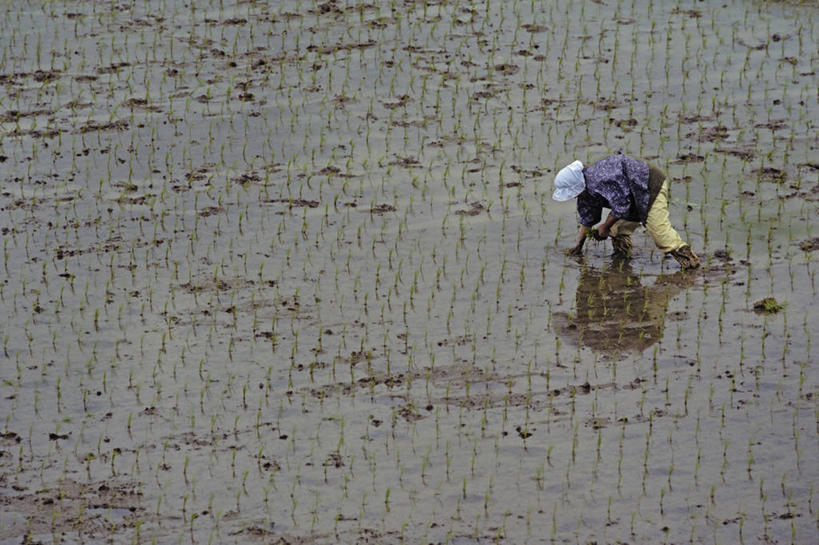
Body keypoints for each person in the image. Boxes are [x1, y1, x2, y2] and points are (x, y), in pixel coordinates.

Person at [552, 152, 700, 269]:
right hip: (631, 193)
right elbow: (588, 219)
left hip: (648, 185)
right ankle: (622, 262)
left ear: (577, 185)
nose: (573, 197)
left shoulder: (598, 180)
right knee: (618, 229)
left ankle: (691, 265)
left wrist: (605, 226)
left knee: (661, 234)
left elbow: (621, 206)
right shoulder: (585, 193)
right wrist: (579, 245)